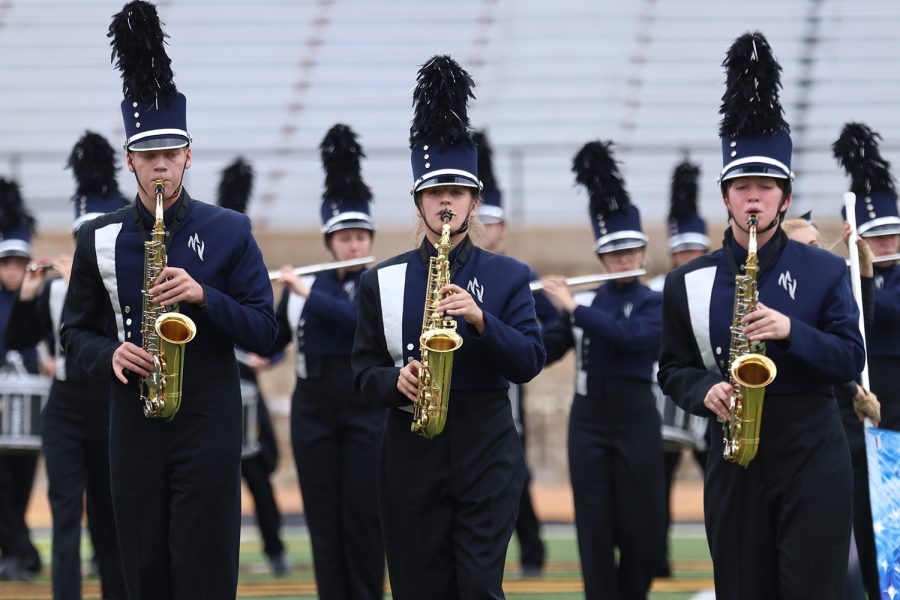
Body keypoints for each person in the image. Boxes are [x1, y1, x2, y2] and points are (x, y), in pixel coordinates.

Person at [59, 3, 278, 598]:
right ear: (129, 159)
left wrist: (205, 296)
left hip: (208, 422)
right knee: (143, 574)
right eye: (147, 154)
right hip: (131, 423)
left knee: (204, 575)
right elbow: (72, 334)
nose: (160, 165)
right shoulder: (96, 238)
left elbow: (265, 329)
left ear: (188, 154)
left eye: (170, 153)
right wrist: (109, 355)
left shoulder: (230, 228)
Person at [658, 31, 865, 599]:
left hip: (813, 455)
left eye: (765, 187)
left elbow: (850, 356)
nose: (754, 199)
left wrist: (792, 331)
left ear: (783, 194)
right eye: (743, 187)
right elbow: (671, 367)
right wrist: (704, 390)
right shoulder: (687, 281)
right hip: (733, 457)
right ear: (726, 196)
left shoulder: (823, 271)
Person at [351, 55, 546, 599]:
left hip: (486, 447)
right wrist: (396, 382)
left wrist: (483, 320)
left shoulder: (508, 276)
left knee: (480, 588)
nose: (445, 203)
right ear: (419, 200)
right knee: (418, 589)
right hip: (410, 451)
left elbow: (530, 360)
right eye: (435, 193)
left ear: (474, 202)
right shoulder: (381, 281)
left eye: (456, 193)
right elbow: (361, 373)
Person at [5, 132, 128, 599]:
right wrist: (30, 294)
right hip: (65, 407)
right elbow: (17, 339)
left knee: (108, 519)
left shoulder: (126, 286)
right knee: (63, 516)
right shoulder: (56, 287)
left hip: (110, 405)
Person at [540, 140, 664, 600]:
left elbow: (632, 339)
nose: (624, 260)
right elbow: (545, 348)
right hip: (589, 422)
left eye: (631, 251)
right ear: (602, 258)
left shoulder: (653, 301)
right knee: (593, 527)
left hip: (636, 420)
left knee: (642, 530)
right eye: (614, 254)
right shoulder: (585, 302)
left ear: (642, 252)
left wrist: (572, 308)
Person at [271, 124, 385, 599]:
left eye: (361, 236)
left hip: (364, 408)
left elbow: (355, 323)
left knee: (362, 515)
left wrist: (302, 293)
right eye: (345, 237)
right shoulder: (308, 285)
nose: (354, 245)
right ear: (330, 241)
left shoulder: (378, 284)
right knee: (322, 517)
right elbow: (272, 340)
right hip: (312, 407)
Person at [473, 129, 558, 579]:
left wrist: (529, 345)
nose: (486, 229)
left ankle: (531, 550)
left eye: (494, 221)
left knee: (512, 468)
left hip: (507, 384)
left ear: (504, 226)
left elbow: (551, 329)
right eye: (479, 219)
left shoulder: (519, 273)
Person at [215, 157, 291, 578]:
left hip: (245, 382)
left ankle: (275, 548)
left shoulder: (249, 269)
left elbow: (273, 336)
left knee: (260, 470)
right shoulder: (204, 267)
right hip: (212, 379)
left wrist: (268, 356)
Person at [833, 121, 900, 598]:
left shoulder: (870, 281)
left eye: (893, 236)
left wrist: (864, 274)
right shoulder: (844, 279)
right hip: (865, 425)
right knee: (870, 534)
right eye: (876, 238)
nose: (888, 246)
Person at [647, 158, 711, 579]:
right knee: (656, 491)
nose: (689, 257)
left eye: (695, 250)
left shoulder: (718, 285)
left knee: (725, 483)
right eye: (682, 251)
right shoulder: (657, 290)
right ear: (672, 254)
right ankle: (658, 562)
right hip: (666, 402)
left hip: (711, 402)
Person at [0, 177, 42, 582]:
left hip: (30, 401)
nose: (12, 272)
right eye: (6, 265)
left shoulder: (37, 297)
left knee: (22, 482)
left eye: (18, 265)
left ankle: (18, 552)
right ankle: (20, 552)